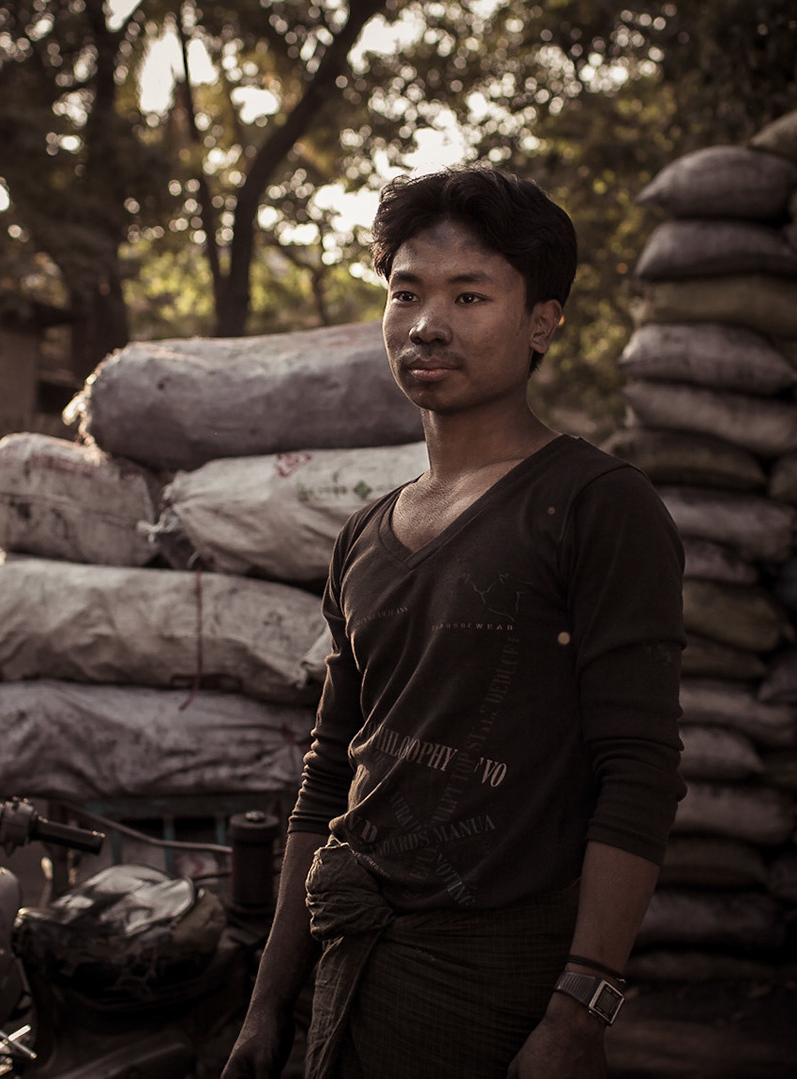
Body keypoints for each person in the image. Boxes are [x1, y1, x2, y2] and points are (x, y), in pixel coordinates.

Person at [221, 166, 688, 1079]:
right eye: (406, 294)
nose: (427, 324)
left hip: (496, 978)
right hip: (346, 956)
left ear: (542, 322)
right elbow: (329, 773)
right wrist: (268, 1002)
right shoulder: (364, 534)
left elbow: (639, 768)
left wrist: (580, 1009)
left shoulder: (595, 507)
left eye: (469, 296)